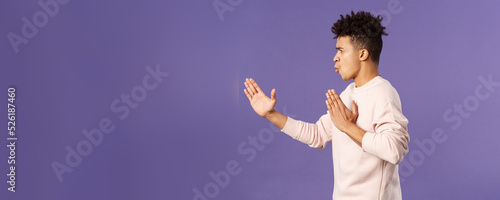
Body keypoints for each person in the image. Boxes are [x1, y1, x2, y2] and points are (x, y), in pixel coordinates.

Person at [243, 11, 410, 200]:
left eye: (341, 50)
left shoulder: (383, 93)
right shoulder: (348, 93)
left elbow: (394, 150)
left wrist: (348, 127)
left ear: (363, 53)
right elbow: (317, 135)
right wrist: (271, 114)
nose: (335, 57)